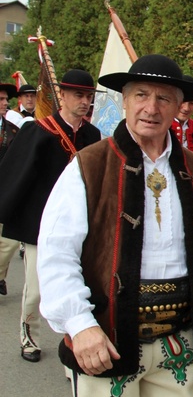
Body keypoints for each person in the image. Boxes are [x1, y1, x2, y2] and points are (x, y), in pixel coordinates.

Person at [36, 54, 193, 396]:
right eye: (141, 95)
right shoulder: (89, 165)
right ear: (124, 101)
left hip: (183, 345)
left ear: (178, 106)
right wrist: (80, 325)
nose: (151, 107)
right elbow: (56, 254)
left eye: (164, 98)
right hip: (107, 340)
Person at [0, 70, 101, 363]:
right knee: (37, 289)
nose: (84, 101)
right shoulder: (39, 131)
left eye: (88, 96)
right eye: (78, 95)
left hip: (81, 225)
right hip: (41, 226)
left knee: (82, 285)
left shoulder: (92, 136)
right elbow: (17, 174)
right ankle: (28, 335)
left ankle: (76, 336)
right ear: (63, 96)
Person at [0, 82, 20, 296]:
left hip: (4, 192)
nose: (6, 103)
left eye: (6, 99)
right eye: (1, 99)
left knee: (8, 242)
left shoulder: (14, 131)